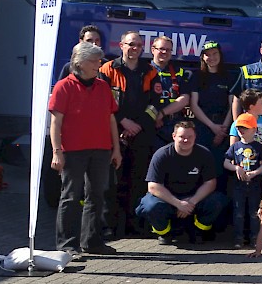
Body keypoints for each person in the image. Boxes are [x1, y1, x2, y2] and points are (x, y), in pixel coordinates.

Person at [48, 42, 122, 260]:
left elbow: (111, 120)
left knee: (97, 196)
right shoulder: (64, 86)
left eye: (99, 61)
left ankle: (92, 241)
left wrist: (116, 149)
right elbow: (55, 123)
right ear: (79, 63)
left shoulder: (103, 87)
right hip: (73, 151)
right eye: (94, 61)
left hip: (101, 150)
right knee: (71, 196)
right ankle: (67, 244)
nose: (99, 65)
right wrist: (56, 151)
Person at [100, 29, 159, 238]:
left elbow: (155, 105)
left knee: (137, 180)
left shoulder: (150, 71)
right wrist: (123, 121)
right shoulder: (108, 69)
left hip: (141, 135)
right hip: (113, 132)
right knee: (111, 182)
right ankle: (109, 227)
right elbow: (102, 101)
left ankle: (135, 226)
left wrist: (138, 125)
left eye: (138, 45)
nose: (135, 48)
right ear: (121, 46)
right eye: (131, 44)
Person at [136, 120, 227, 245]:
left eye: (190, 137)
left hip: (193, 198)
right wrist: (178, 203)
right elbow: (153, 186)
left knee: (217, 201)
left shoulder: (204, 154)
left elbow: (210, 183)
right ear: (174, 136)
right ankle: (164, 233)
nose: (186, 140)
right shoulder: (162, 155)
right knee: (150, 206)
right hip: (168, 199)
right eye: (182, 137)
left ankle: (198, 231)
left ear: (195, 137)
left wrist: (192, 202)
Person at [188, 40, 234, 183]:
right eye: (207, 54)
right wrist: (212, 126)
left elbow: (232, 105)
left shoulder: (229, 77)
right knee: (199, 166)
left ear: (220, 55)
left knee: (220, 168)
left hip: (223, 127)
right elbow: (194, 105)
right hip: (202, 127)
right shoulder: (197, 76)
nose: (212, 57)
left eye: (215, 53)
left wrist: (222, 130)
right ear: (202, 57)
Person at [223, 113, 262, 248]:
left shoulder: (258, 146)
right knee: (238, 212)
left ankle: (255, 238)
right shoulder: (235, 146)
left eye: (245, 127)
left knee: (254, 212)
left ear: (254, 129)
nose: (241, 130)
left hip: (255, 184)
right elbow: (226, 162)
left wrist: (255, 173)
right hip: (239, 184)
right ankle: (238, 238)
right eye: (239, 128)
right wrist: (236, 168)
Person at [149, 35, 191, 146]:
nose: (164, 52)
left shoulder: (179, 73)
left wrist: (162, 113)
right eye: (161, 49)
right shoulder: (144, 71)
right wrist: (155, 117)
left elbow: (185, 99)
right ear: (153, 50)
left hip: (174, 126)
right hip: (151, 127)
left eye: (168, 50)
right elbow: (140, 99)